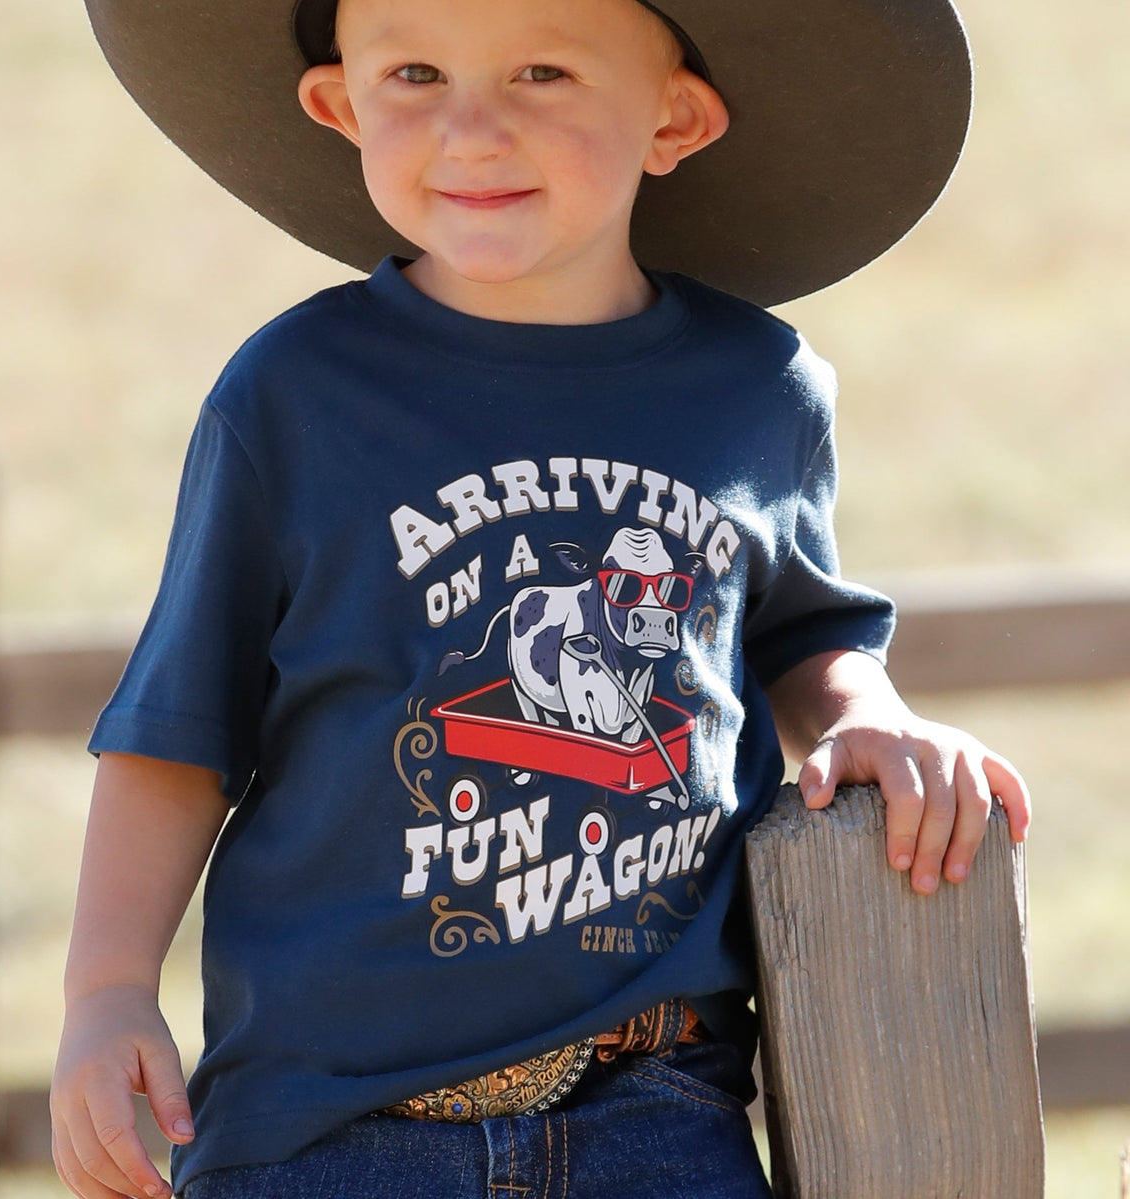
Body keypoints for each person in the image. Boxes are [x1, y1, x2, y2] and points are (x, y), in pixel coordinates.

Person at [51, 0, 1032, 1196]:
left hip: (657, 1111)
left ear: (674, 116)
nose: (472, 130)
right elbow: (179, 732)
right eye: (415, 72)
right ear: (340, 102)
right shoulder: (294, 397)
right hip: (331, 1129)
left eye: (542, 72)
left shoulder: (758, 390)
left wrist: (865, 711)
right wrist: (106, 991)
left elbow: (804, 631)